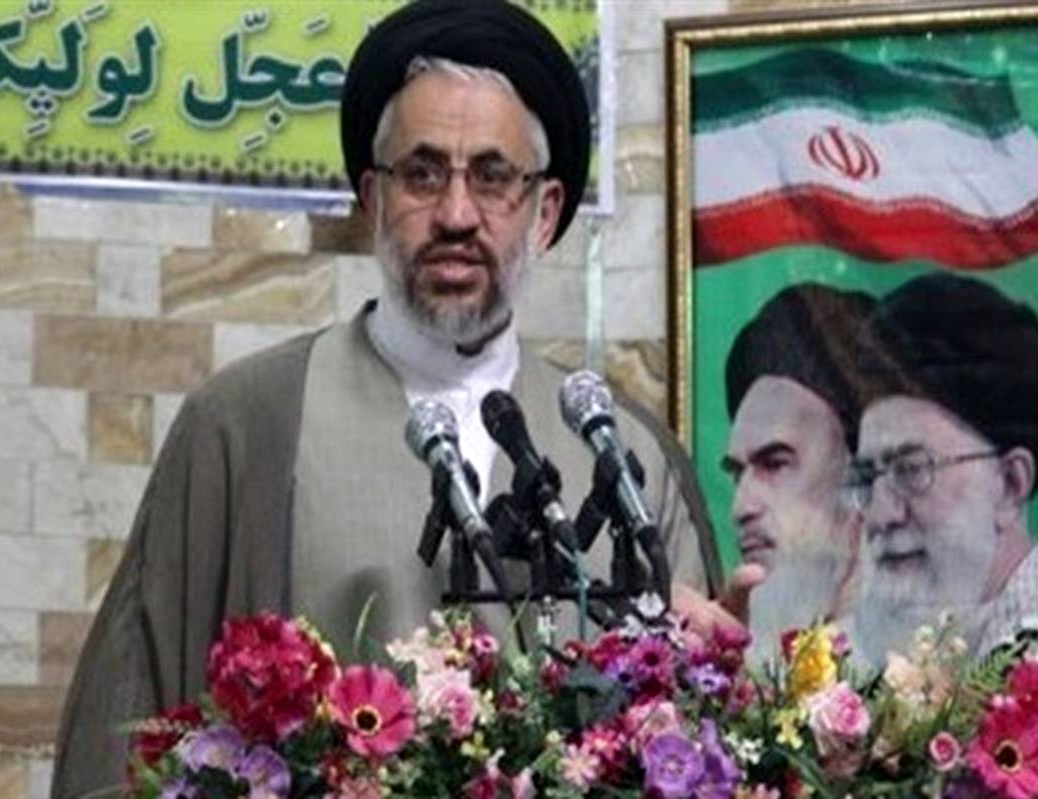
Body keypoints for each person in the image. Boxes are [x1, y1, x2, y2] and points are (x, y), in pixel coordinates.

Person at [51, 2, 718, 795]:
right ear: (372, 199)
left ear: (544, 214)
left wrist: (723, 686)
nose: (456, 215)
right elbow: (127, 730)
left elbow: (704, 744)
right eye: (422, 174)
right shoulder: (245, 425)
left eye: (493, 177)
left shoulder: (624, 451)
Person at [845, 273, 1038, 666]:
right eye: (867, 477)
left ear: (1010, 485)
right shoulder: (883, 676)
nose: (879, 514)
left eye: (911, 470)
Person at [719, 283, 874, 660]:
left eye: (774, 464)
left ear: (864, 481)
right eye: (738, 474)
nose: (741, 508)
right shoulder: (729, 671)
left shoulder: (940, 669)